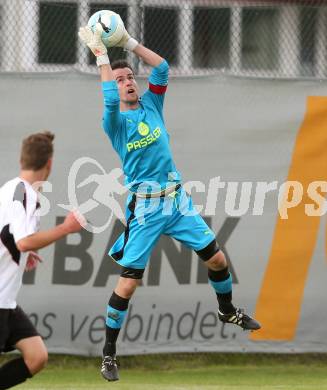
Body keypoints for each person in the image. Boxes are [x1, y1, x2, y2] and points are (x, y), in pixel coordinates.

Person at [79, 20, 261, 382]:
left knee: (218, 259)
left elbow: (161, 68)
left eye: (130, 77)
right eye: (121, 79)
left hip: (176, 201)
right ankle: (109, 354)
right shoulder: (114, 122)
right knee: (128, 283)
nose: (128, 81)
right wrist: (102, 56)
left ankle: (226, 311)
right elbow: (110, 99)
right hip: (145, 209)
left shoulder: (152, 105)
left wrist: (127, 42)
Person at [0, 131, 84, 389]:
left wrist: (23, 254)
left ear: (22, 159)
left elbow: (11, 236)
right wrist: (66, 228)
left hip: (7, 300)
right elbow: (23, 239)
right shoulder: (23, 193)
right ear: (49, 163)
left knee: (36, 357)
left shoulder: (13, 189)